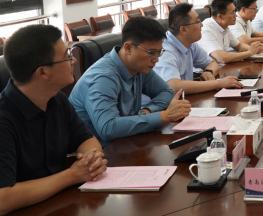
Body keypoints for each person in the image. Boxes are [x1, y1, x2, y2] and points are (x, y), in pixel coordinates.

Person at [0, 25, 107, 216]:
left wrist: (91, 160)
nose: (73, 60)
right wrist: (73, 175)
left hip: (48, 211)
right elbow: (0, 201)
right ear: (43, 72)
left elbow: (86, 140)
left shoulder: (56, 100)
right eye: (66, 57)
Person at [70, 17, 191, 145]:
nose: (156, 59)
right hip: (97, 151)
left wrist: (146, 111)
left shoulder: (139, 67)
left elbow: (166, 92)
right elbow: (108, 128)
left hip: (125, 141)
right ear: (128, 48)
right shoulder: (104, 77)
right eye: (151, 53)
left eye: (159, 52)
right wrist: (164, 116)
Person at [154, 3, 242, 93]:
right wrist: (218, 83)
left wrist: (208, 72)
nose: (201, 25)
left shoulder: (190, 43)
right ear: (183, 29)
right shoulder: (165, 51)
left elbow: (212, 63)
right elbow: (174, 87)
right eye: (197, 21)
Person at [199, 0, 263, 63]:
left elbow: (239, 46)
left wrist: (255, 49)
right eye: (232, 12)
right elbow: (223, 58)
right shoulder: (206, 30)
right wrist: (250, 52)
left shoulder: (225, 27)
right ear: (220, 17)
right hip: (207, 69)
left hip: (221, 66)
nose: (236, 15)